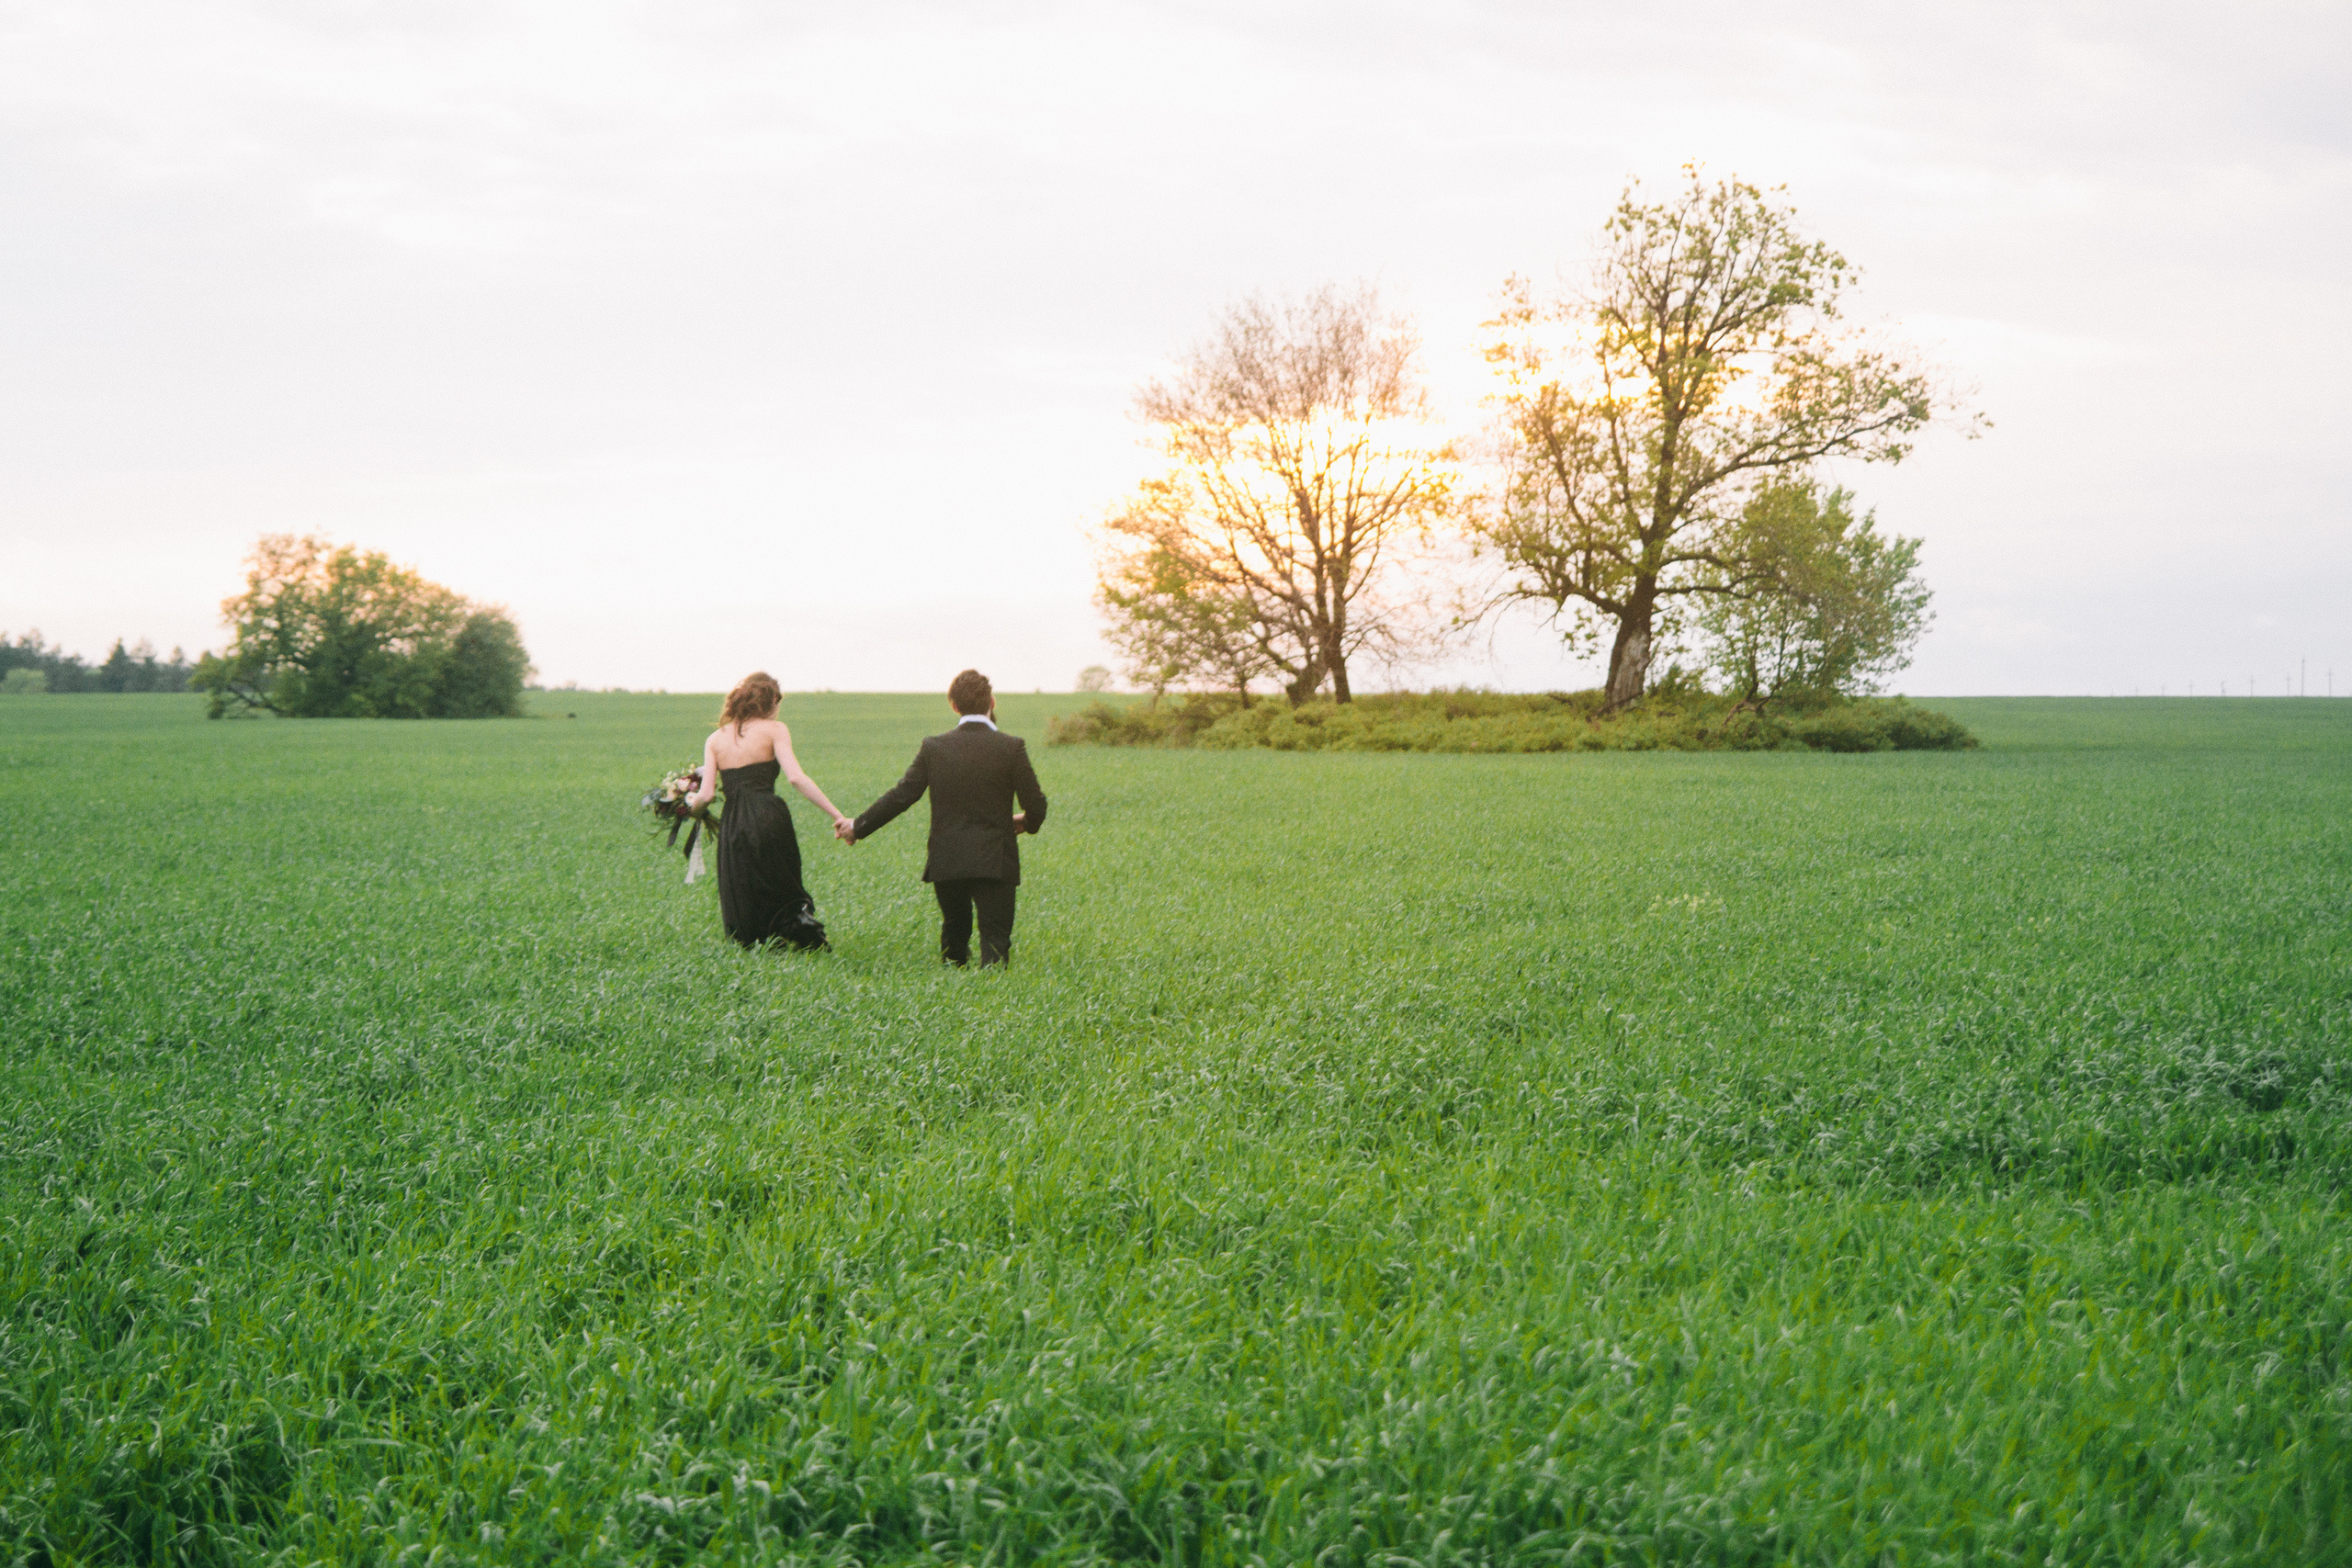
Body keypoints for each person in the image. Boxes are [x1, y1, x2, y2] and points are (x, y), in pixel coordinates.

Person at [839, 669, 1046, 967]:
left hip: (948, 858)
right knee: (996, 944)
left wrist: (857, 827)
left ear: (953, 705)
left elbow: (902, 796)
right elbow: (1036, 805)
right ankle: (994, 998)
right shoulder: (1011, 747)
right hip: (995, 857)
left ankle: (953, 990)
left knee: (954, 940)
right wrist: (1025, 823)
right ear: (992, 701)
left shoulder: (934, 748)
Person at [686, 672, 851, 951]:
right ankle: (798, 929)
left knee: (743, 881)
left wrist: (691, 809)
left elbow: (707, 794)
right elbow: (797, 778)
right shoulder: (775, 730)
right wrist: (837, 815)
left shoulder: (714, 739)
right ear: (770, 701)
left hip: (734, 819)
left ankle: (757, 941)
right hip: (769, 813)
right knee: (781, 877)